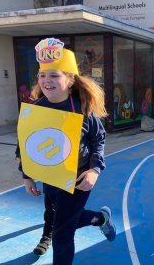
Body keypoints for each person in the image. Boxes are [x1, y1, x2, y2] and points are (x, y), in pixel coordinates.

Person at [16, 38, 116, 264]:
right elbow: (25, 143)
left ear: (70, 80)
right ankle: (99, 218)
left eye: (55, 75)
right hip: (50, 178)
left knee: (62, 233)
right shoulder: (35, 110)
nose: (46, 80)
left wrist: (94, 170)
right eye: (42, 75)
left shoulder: (82, 109)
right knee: (63, 220)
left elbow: (98, 138)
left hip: (77, 180)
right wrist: (27, 174)